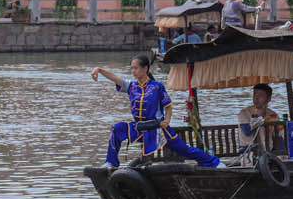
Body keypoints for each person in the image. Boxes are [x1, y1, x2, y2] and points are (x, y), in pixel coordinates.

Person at [90, 55, 219, 169]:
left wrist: (167, 120)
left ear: (145, 69)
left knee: (184, 149)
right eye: (132, 68)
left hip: (157, 127)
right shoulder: (131, 86)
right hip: (139, 127)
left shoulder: (157, 86)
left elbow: (168, 105)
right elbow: (116, 79)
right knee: (117, 128)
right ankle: (111, 163)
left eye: (136, 68)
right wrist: (100, 70)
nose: (133, 71)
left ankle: (213, 162)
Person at [236, 83, 282, 153]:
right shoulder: (244, 113)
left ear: (268, 98)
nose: (256, 98)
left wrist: (282, 153)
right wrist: (259, 117)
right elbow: (247, 132)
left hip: (268, 151)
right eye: (254, 94)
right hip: (248, 151)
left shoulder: (273, 115)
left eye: (260, 95)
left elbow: (278, 136)